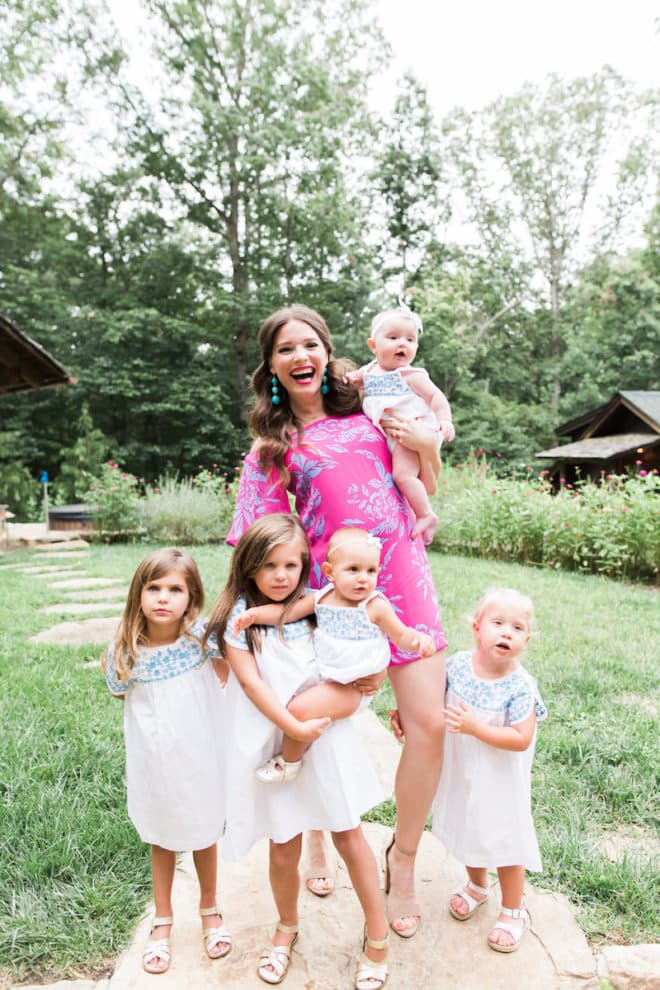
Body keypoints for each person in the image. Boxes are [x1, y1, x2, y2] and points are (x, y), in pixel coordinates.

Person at [227, 303, 448, 936]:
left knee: (428, 724)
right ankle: (318, 835)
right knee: (319, 720)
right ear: (271, 366)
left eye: (311, 345)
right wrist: (240, 620)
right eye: (285, 350)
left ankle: (402, 859)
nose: (301, 357)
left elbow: (424, 471)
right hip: (329, 599)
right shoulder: (274, 447)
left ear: (327, 352)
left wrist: (430, 444)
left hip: (403, 576)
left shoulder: (371, 405)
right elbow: (258, 541)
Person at [207, 514, 389, 988]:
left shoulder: (322, 606)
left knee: (350, 837)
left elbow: (366, 648)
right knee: (284, 849)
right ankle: (286, 927)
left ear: (308, 565)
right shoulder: (240, 621)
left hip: (325, 740)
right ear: (248, 567)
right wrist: (292, 726)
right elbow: (249, 682)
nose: (282, 575)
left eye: (292, 564)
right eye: (269, 565)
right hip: (278, 740)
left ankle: (378, 936)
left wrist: (374, 679)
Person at [103, 548, 231, 975]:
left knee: (204, 833)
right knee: (162, 836)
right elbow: (120, 692)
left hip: (199, 756)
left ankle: (210, 908)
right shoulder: (126, 649)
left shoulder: (200, 640)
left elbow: (231, 673)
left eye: (175, 589)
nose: (163, 598)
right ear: (138, 595)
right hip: (154, 761)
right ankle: (163, 919)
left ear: (191, 596)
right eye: (153, 588)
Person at [233, 526, 436, 783]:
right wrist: (255, 615)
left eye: (370, 570)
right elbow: (289, 612)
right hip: (329, 677)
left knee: (298, 709)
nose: (363, 578)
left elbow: (401, 636)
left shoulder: (375, 606)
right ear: (330, 572)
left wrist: (418, 640)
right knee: (301, 707)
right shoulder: (323, 598)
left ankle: (289, 764)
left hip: (352, 686)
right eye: (353, 570)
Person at [431, 587, 547, 954]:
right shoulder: (458, 666)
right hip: (463, 770)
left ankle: (514, 909)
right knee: (469, 826)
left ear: (526, 639)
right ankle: (477, 885)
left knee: (505, 838)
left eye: (517, 627)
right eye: (498, 623)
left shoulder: (519, 686)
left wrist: (476, 729)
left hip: (500, 781)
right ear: (477, 627)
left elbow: (521, 738)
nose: (507, 632)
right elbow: (434, 699)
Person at [344, 304, 455, 545]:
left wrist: (445, 420)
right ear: (373, 346)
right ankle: (418, 510)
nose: (402, 344)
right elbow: (357, 380)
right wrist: (352, 379)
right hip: (395, 434)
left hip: (413, 429)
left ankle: (426, 514)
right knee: (405, 477)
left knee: (403, 475)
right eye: (393, 338)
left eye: (410, 339)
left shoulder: (412, 375)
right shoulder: (370, 370)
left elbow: (437, 398)